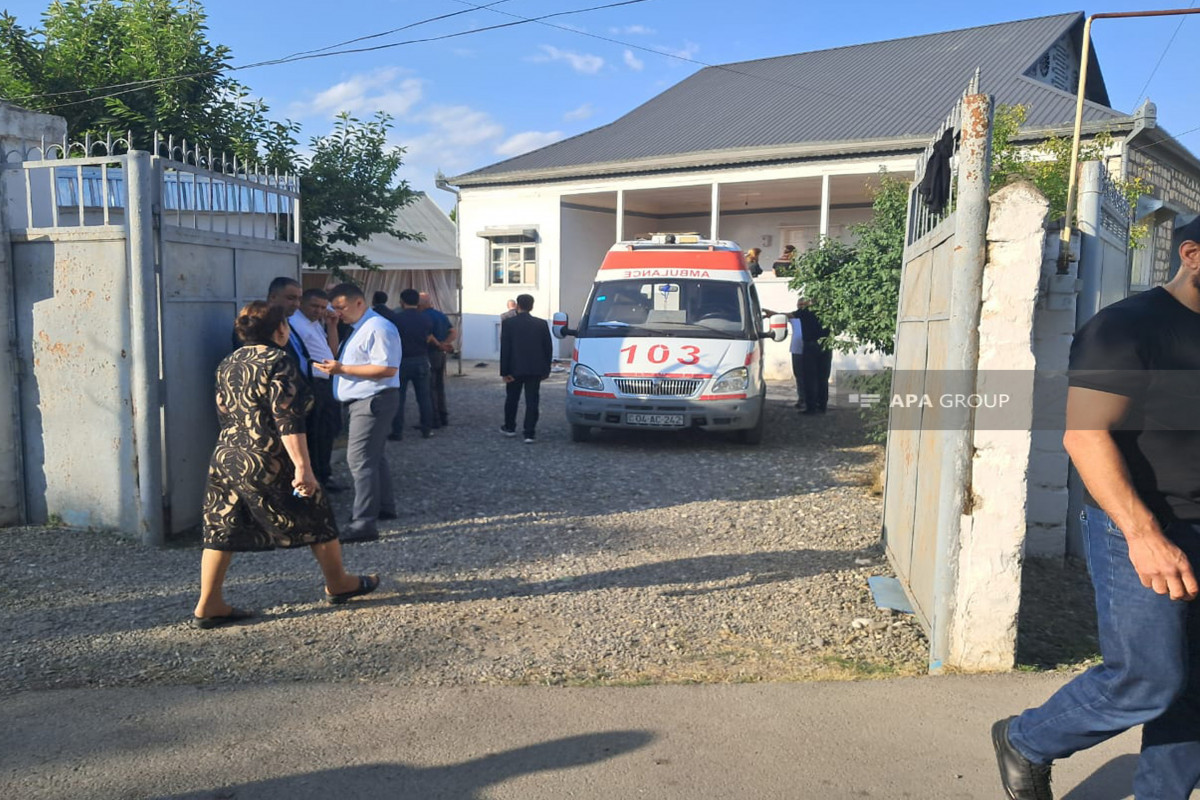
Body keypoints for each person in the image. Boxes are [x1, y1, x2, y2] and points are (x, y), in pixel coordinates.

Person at [991, 217, 1200, 800]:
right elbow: (1084, 436)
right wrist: (1144, 536)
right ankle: (1027, 739)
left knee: (1196, 686)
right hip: (1142, 524)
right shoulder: (1127, 327)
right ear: (1192, 255)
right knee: (1147, 679)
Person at [193, 301, 379, 629]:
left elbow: (223, 408)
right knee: (317, 516)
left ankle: (209, 603)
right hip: (268, 455)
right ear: (280, 329)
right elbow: (288, 419)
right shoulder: (278, 361)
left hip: (227, 455)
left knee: (221, 527)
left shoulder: (229, 362)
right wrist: (303, 467)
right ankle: (339, 583)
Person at [314, 284, 402, 543]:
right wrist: (333, 329)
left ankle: (363, 522)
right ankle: (384, 506)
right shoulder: (360, 327)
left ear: (360, 303)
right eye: (334, 308)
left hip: (372, 400)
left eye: (341, 307)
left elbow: (387, 369)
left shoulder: (378, 327)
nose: (337, 313)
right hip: (366, 400)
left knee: (359, 460)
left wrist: (342, 369)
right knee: (374, 456)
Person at [290, 288, 343, 491]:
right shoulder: (295, 322)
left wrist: (332, 325)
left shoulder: (315, 323)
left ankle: (324, 474)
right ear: (302, 303)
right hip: (312, 383)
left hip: (325, 381)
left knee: (327, 431)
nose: (319, 311)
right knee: (316, 433)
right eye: (314, 306)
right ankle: (316, 477)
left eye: (322, 307)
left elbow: (332, 353)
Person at [499, 293, 553, 443]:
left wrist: (504, 371)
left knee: (512, 398)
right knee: (532, 400)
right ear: (532, 306)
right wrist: (546, 369)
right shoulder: (541, 324)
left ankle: (510, 427)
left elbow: (505, 349)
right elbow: (548, 348)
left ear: (518, 305)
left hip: (514, 368)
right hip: (535, 368)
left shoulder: (509, 323)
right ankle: (529, 433)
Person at [388, 288, 438, 440]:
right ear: (418, 302)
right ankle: (427, 429)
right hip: (421, 359)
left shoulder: (396, 319)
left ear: (402, 302)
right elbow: (428, 337)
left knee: (399, 398)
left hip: (402, 360)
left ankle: (397, 431)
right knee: (424, 397)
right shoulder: (426, 319)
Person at [419, 291, 456, 428]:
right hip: (441, 355)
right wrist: (445, 344)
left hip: (429, 353)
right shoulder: (441, 315)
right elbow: (453, 332)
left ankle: (434, 419)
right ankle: (443, 415)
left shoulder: (422, 317)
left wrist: (438, 344)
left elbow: (428, 336)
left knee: (430, 387)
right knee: (440, 386)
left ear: (420, 304)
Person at [763, 296, 806, 409]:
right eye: (799, 305)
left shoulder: (810, 317)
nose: (800, 307)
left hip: (808, 350)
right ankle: (802, 398)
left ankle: (811, 399)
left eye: (803, 305)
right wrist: (770, 314)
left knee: (809, 376)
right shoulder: (795, 317)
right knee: (799, 376)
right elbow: (781, 316)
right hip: (796, 350)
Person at [797, 299, 831, 414]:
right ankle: (822, 406)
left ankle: (811, 407)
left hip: (810, 347)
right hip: (826, 346)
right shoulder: (827, 312)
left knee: (809, 378)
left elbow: (787, 315)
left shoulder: (805, 312)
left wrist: (770, 313)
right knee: (823, 378)